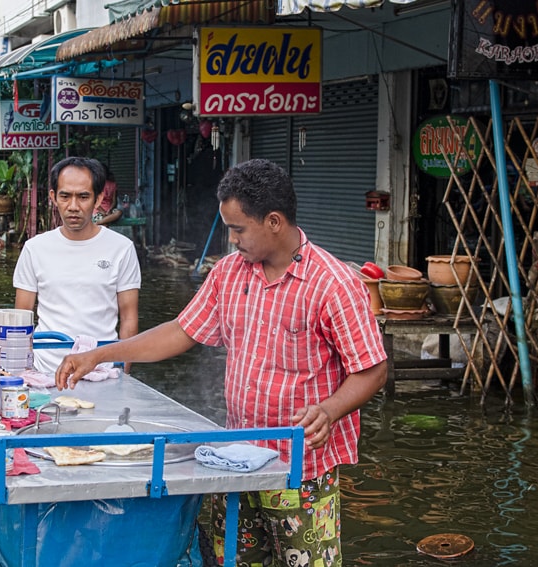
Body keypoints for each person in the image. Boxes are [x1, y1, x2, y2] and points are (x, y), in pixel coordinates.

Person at [55, 158, 388, 567]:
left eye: (238, 229)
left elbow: (372, 368)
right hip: (237, 457)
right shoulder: (230, 274)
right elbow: (181, 331)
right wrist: (101, 354)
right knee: (234, 558)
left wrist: (330, 409)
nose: (231, 240)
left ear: (274, 222)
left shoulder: (333, 284)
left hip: (301, 467)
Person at [13, 156, 141, 374]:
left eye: (83, 197)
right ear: (54, 197)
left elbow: (129, 318)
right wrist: (21, 373)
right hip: (46, 371)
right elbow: (21, 317)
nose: (73, 206)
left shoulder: (122, 248)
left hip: (103, 370)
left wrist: (122, 373)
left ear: (98, 198)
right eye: (65, 196)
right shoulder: (34, 249)